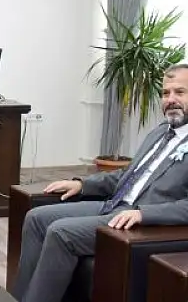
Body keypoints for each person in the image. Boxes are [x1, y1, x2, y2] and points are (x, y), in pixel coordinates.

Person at [13, 63, 188, 302]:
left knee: (61, 232)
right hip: (114, 205)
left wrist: (144, 214)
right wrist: (83, 184)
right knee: (36, 218)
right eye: (166, 93)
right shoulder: (160, 132)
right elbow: (128, 174)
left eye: (180, 92)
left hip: (141, 221)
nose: (171, 99)